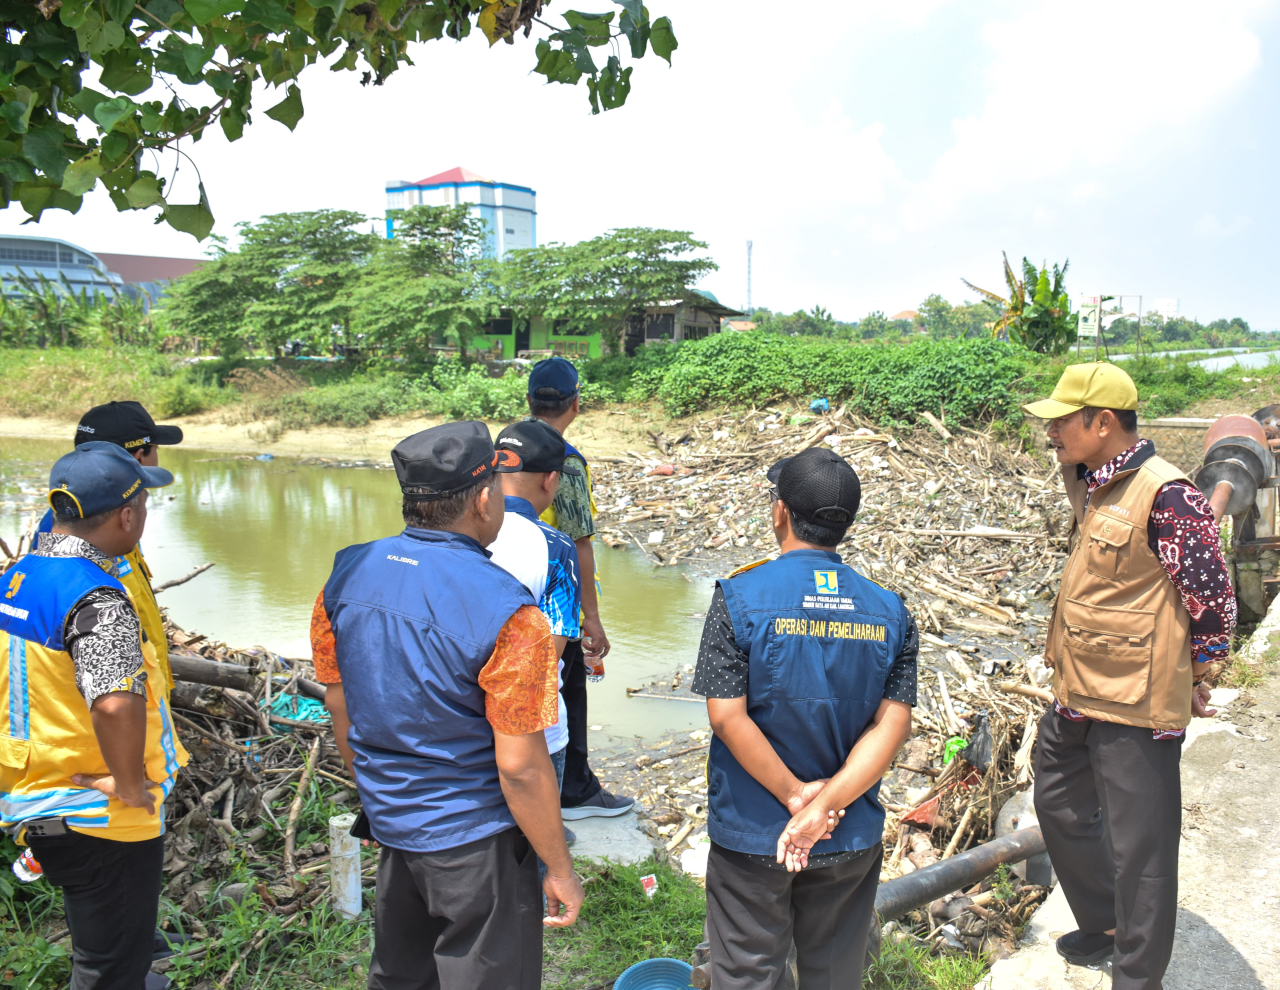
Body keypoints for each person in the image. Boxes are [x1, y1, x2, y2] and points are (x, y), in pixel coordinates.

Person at [315, 421, 583, 990]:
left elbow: (341, 705)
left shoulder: (343, 576)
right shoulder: (513, 616)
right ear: (486, 499)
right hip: (476, 844)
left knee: (401, 975)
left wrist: (383, 794)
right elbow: (520, 765)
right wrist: (558, 867)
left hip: (392, 825)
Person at [1023, 362, 1236, 989]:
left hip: (1137, 704)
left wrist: (1198, 674)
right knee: (1057, 802)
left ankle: (1138, 976)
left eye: (1062, 421)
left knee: (1142, 849)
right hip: (1078, 689)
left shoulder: (1168, 494)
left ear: (1103, 421)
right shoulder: (1095, 483)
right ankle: (1105, 924)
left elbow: (1212, 598)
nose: (1052, 432)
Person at [692, 446, 918, 989]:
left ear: (781, 512)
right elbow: (891, 725)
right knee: (835, 973)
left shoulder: (738, 597)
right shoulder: (890, 610)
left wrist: (798, 798)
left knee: (747, 970)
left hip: (754, 834)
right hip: (847, 833)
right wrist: (828, 805)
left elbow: (727, 717)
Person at [0, 442, 188, 990]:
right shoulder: (97, 598)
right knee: (109, 971)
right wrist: (129, 784)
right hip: (98, 812)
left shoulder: (20, 577)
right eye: (145, 507)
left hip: (39, 790)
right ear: (127, 515)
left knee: (104, 949)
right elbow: (113, 702)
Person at [524, 356, 633, 819]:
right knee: (568, 688)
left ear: (528, 401)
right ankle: (575, 791)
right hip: (553, 598)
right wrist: (592, 617)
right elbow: (580, 544)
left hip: (504, 590)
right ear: (576, 403)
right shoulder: (564, 462)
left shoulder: (505, 447)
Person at [38, 400, 185, 695]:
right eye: (156, 448)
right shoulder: (74, 535)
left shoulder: (112, 526)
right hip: (121, 711)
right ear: (138, 457)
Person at [489, 419, 585, 848]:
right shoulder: (556, 547)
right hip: (534, 731)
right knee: (534, 849)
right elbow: (553, 652)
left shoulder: (454, 534)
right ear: (551, 480)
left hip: (457, 720)